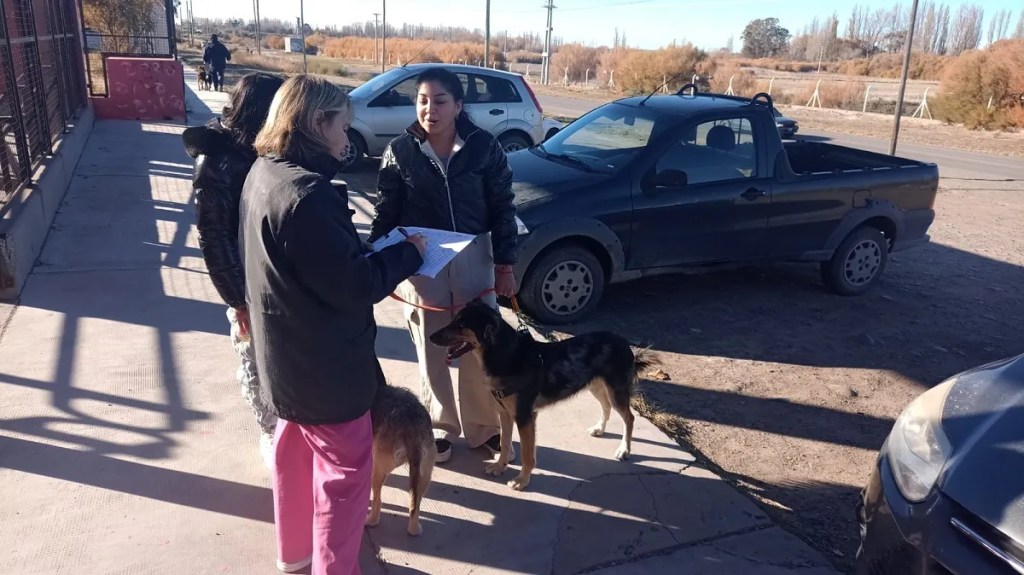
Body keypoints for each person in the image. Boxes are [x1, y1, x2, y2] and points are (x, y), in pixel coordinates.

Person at [240, 74, 426, 575]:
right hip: (325, 371)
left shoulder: (264, 172)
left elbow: (306, 263)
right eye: (343, 125)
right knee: (344, 478)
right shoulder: (309, 195)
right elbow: (353, 286)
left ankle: (295, 554)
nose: (347, 137)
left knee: (294, 458)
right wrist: (407, 255)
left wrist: (356, 249)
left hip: (285, 361)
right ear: (316, 123)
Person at [369, 67, 518, 464]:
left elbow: (503, 206)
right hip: (422, 258)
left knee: (478, 345)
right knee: (431, 343)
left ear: (458, 106)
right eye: (422, 101)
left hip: (474, 254)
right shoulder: (399, 150)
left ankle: (483, 428)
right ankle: (439, 427)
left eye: (439, 101)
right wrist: (377, 259)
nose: (429, 109)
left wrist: (505, 264)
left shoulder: (484, 147)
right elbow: (386, 211)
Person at [182, 72, 284, 467]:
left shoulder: (260, 150)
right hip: (245, 284)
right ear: (262, 111)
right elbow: (214, 238)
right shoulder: (217, 160)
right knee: (255, 361)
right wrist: (237, 299)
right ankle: (270, 434)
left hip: (272, 278)